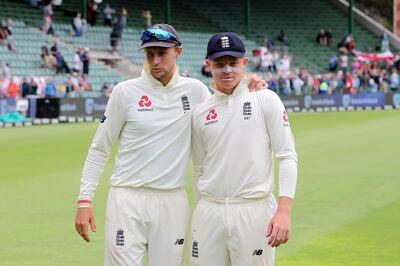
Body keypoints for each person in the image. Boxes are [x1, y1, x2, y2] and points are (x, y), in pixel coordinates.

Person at [74, 24, 267, 266]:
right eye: (149, 54)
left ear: (178, 52)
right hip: (127, 199)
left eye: (162, 53)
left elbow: (226, 103)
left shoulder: (195, 91)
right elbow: (99, 148)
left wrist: (249, 82)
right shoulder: (125, 92)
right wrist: (84, 201)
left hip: (172, 202)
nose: (155, 60)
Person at [190, 32, 298, 266]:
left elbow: (287, 156)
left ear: (244, 63)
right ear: (208, 65)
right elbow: (199, 170)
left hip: (254, 210)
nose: (227, 70)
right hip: (210, 212)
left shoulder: (265, 99)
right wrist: (203, 211)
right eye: (219, 64)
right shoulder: (199, 113)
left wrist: (284, 211)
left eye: (233, 63)